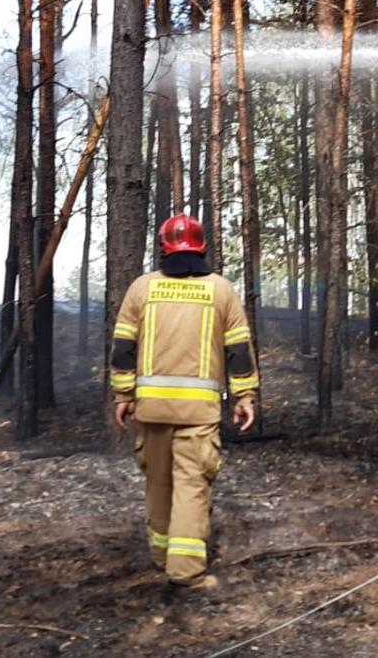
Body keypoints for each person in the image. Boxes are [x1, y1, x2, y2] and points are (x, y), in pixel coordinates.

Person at [110, 214, 259, 590]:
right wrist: (245, 396)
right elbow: (239, 351)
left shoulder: (142, 289)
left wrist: (123, 395)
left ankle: (162, 556)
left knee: (158, 484)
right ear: (202, 247)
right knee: (192, 486)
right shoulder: (221, 290)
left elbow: (123, 348)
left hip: (152, 410)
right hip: (198, 414)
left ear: (164, 248)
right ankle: (186, 571)